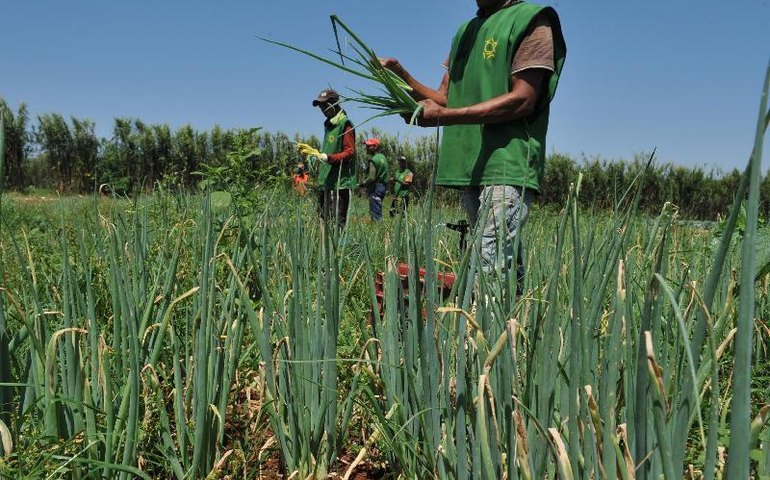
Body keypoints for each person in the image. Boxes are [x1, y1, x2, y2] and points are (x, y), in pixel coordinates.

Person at [381, 0, 566, 293]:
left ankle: (478, 338)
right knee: (499, 260)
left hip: (507, 162)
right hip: (470, 165)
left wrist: (445, 117)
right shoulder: (466, 31)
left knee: (489, 263)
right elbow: (446, 98)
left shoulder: (532, 20)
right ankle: (514, 329)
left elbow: (523, 99)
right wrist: (402, 77)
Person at [311, 88, 357, 229]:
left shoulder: (344, 123)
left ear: (335, 103)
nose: (323, 109)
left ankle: (337, 251)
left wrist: (329, 158)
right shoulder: (329, 124)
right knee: (323, 222)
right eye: (321, 106)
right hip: (326, 181)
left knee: (337, 225)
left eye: (325, 105)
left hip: (338, 183)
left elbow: (350, 152)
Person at [360, 138, 389, 221]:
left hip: (376, 188)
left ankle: (379, 231)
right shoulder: (382, 157)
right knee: (378, 208)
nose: (366, 147)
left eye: (369, 146)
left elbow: (371, 177)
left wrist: (363, 184)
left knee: (375, 215)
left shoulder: (373, 160)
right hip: (383, 187)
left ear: (375, 147)